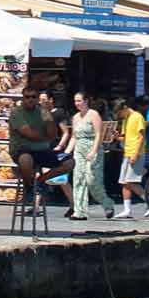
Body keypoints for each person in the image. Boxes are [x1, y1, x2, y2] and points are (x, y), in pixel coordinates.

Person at [7, 89, 57, 201]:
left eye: (33, 97)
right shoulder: (17, 113)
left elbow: (53, 135)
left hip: (42, 150)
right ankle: (29, 188)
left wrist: (49, 118)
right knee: (26, 159)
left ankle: (39, 181)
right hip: (22, 150)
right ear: (23, 98)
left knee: (69, 162)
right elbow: (28, 133)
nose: (30, 99)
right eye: (27, 97)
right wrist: (45, 137)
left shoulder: (43, 112)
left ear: (37, 99)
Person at [66, 91, 103, 221]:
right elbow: (74, 137)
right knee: (78, 179)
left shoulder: (94, 115)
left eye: (79, 101)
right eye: (75, 101)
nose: (77, 104)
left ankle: (107, 203)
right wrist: (67, 152)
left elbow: (99, 134)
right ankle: (79, 211)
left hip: (92, 147)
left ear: (86, 101)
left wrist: (94, 151)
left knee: (91, 180)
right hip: (79, 150)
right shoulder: (75, 117)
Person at [116, 92, 149, 219]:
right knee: (124, 182)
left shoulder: (137, 116)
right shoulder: (126, 119)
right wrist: (117, 137)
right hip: (127, 153)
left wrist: (135, 154)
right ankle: (127, 209)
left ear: (124, 108)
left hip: (136, 153)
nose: (120, 116)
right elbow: (124, 138)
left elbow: (141, 137)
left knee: (131, 182)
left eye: (120, 113)